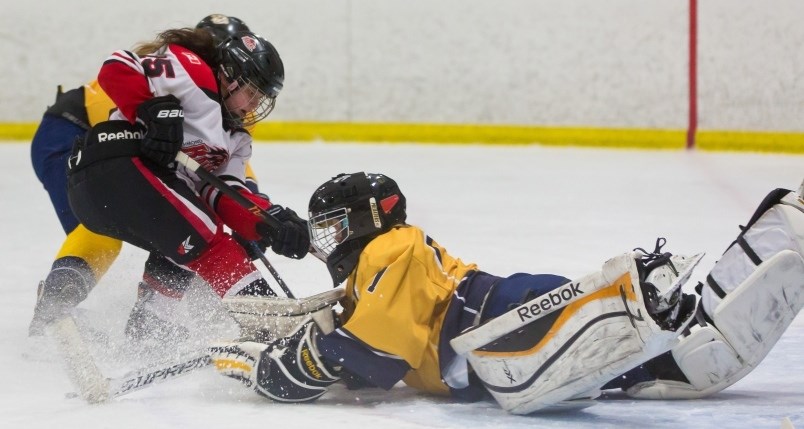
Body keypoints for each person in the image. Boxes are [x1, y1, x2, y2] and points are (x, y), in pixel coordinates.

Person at [207, 173, 804, 414]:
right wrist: (318, 335)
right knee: (679, 359)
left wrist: (278, 366)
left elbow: (372, 357)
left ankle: (656, 301)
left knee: (686, 353)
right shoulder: (379, 265)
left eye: (334, 227)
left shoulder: (389, 250)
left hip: (500, 319)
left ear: (367, 220)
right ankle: (783, 226)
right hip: (503, 320)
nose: (327, 241)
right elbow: (371, 356)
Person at [28, 15, 279, 340]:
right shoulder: (177, 78)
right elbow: (123, 109)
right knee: (100, 233)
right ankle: (52, 312)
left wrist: (257, 217)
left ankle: (152, 314)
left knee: (182, 216)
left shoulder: (230, 102)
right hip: (71, 136)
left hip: (111, 156)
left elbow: (227, 169)